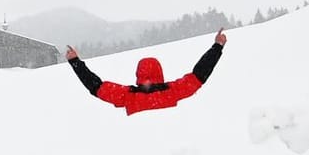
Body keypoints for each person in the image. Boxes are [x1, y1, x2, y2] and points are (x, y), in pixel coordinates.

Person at [65, 30, 227, 114]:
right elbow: (198, 76)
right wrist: (217, 47)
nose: (148, 81)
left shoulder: (129, 96)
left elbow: (96, 87)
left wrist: (75, 62)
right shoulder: (172, 92)